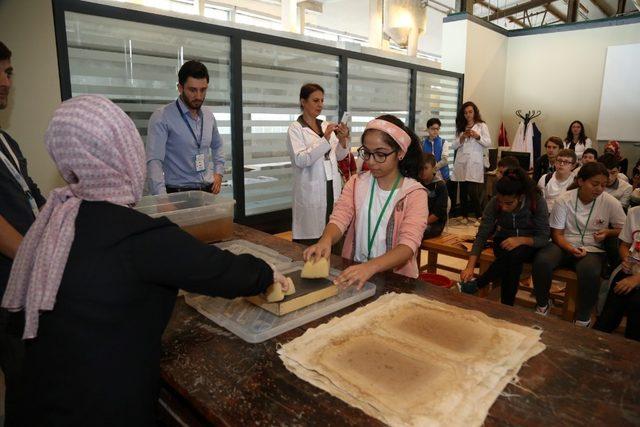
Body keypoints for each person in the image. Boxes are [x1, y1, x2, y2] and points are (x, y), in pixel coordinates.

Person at [1, 95, 288, 426]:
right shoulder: (136, 237)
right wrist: (265, 273)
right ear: (122, 153)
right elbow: (220, 270)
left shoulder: (56, 220)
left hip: (34, 402)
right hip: (100, 408)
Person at [303, 115, 427, 288]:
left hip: (396, 280)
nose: (371, 161)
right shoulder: (356, 183)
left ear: (400, 153)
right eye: (367, 153)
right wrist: (326, 240)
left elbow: (408, 245)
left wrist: (371, 266)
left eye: (380, 154)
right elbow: (340, 217)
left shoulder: (414, 193)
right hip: (357, 271)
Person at [0, 41, 47, 426]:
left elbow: (33, 195)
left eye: (9, 72)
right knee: (21, 382)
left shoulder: (7, 142)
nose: (5, 81)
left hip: (28, 280)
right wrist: (43, 258)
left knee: (34, 374)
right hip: (6, 289)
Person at [532, 162, 626, 326]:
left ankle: (583, 318)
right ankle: (542, 304)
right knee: (542, 261)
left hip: (592, 248)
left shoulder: (610, 202)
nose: (599, 189)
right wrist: (570, 248)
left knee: (590, 271)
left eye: (603, 185)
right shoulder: (565, 199)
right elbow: (557, 234)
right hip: (564, 243)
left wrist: (608, 232)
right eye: (595, 184)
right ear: (581, 181)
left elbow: (624, 228)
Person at [460, 168, 549, 305]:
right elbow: (482, 234)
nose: (504, 207)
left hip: (529, 244)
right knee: (513, 260)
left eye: (509, 203)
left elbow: (543, 237)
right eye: (501, 202)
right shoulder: (495, 203)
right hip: (503, 241)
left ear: (521, 196)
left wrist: (521, 240)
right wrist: (470, 266)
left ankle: (479, 284)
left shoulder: (536, 202)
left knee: (515, 256)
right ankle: (507, 307)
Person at [146, 60, 225, 195]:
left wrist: (219, 173)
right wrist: (161, 199)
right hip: (178, 193)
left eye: (203, 90)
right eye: (193, 90)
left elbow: (217, 145)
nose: (199, 96)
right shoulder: (162, 117)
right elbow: (154, 160)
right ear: (180, 88)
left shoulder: (208, 115)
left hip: (207, 191)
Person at [286, 83, 350, 245]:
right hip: (310, 189)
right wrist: (325, 140)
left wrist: (342, 140)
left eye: (322, 100)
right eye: (315, 100)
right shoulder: (295, 129)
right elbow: (301, 159)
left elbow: (339, 156)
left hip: (330, 185)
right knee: (311, 241)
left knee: (332, 235)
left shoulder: (325, 125)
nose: (320, 105)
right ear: (303, 102)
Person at [594, 206, 640, 341]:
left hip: (636, 276)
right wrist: (626, 259)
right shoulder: (634, 212)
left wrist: (636, 279)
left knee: (636, 304)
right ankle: (596, 340)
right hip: (632, 268)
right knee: (616, 292)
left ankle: (632, 347)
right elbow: (624, 246)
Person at [451, 101, 492, 225]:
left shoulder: (481, 126)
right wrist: (462, 138)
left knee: (472, 190)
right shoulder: (460, 127)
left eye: (470, 112)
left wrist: (477, 136)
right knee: (462, 190)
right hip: (462, 162)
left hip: (474, 162)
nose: (468, 115)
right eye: (465, 113)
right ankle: (464, 215)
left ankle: (480, 216)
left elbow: (488, 142)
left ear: (475, 112)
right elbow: (453, 145)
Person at [419, 153, 448, 239]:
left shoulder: (440, 185)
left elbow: (438, 213)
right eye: (420, 168)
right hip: (419, 221)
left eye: (425, 168)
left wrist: (421, 223)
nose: (422, 171)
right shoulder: (417, 183)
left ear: (434, 169)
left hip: (435, 224)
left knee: (415, 233)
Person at [422, 118, 450, 182]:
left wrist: (433, 169)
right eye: (432, 129)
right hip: (427, 176)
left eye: (437, 129)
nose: (435, 131)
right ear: (428, 129)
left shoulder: (444, 142)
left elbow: (445, 160)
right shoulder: (423, 143)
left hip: (442, 176)